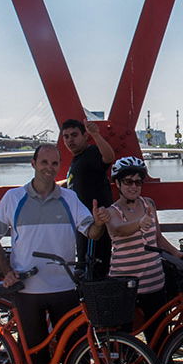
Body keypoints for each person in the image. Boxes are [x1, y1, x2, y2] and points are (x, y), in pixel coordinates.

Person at [0, 144, 108, 364]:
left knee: (76, 344)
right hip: (28, 288)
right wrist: (6, 270)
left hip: (64, 285)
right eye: (45, 162)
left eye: (55, 163)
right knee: (35, 346)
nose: (49, 168)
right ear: (33, 163)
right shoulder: (13, 197)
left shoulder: (69, 197)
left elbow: (91, 232)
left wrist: (100, 223)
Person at [103, 156, 183, 340]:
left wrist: (176, 252)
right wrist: (139, 223)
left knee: (159, 333)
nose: (133, 186)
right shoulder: (111, 211)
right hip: (124, 284)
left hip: (154, 280)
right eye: (128, 182)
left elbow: (157, 237)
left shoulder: (148, 204)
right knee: (124, 337)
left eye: (138, 182)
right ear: (118, 183)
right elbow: (118, 229)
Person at [61, 119, 115, 279]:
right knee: (85, 270)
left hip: (97, 226)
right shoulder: (78, 160)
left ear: (85, 136)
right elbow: (73, 182)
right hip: (84, 225)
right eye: (66, 136)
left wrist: (96, 135)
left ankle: (96, 303)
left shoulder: (91, 153)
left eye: (74, 135)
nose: (70, 140)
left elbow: (109, 157)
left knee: (95, 272)